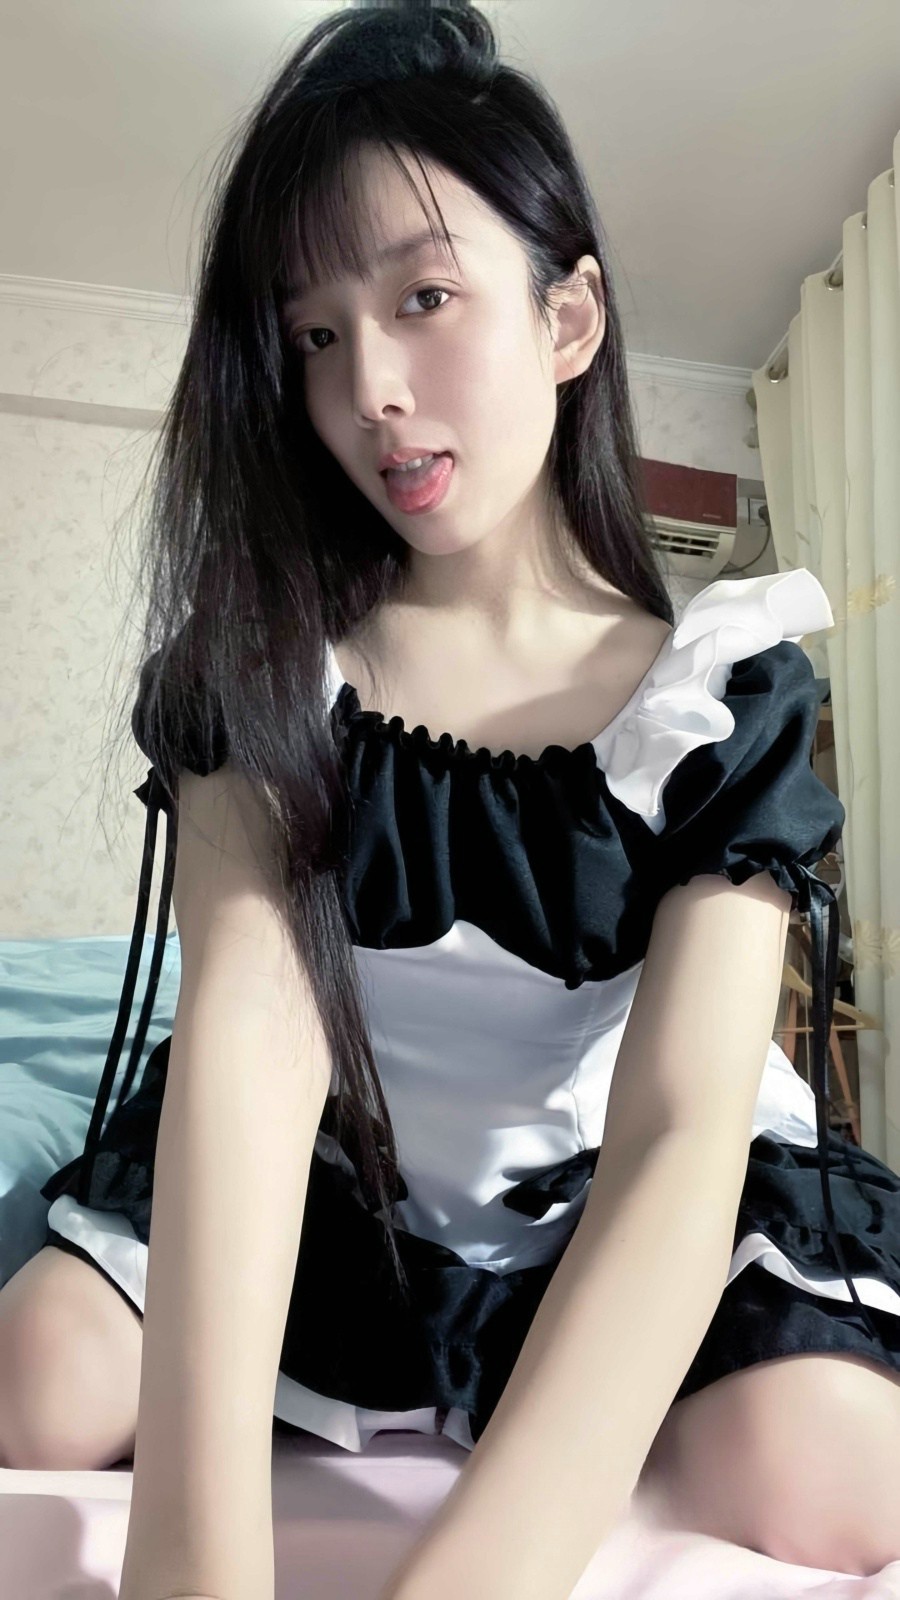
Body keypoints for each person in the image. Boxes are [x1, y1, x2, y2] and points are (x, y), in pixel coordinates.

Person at [3, 1, 900, 1594]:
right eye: (315, 335)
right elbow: (251, 1050)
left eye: (424, 298)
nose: (370, 389)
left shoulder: (721, 685)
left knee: (841, 1477)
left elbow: (682, 1133)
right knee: (41, 1384)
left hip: (606, 1191)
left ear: (570, 319)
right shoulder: (270, 663)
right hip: (341, 1179)